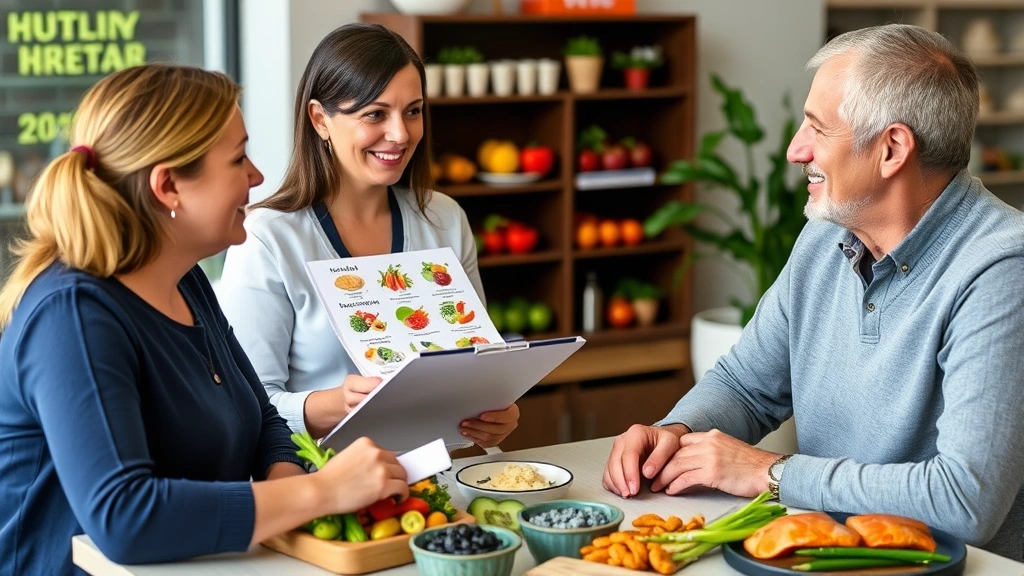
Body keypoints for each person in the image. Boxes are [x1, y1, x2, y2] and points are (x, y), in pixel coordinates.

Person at [603, 24, 1024, 559]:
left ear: (892, 148)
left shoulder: (1002, 270)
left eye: (817, 129)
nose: (794, 150)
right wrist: (675, 433)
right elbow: (746, 386)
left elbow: (966, 500)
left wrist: (770, 473)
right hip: (827, 555)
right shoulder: (827, 235)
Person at [0, 64, 410, 576]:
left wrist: (293, 492)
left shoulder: (186, 279)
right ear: (169, 186)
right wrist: (321, 491)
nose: (257, 176)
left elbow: (264, 422)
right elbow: (125, 519)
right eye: (239, 159)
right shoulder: (73, 317)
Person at [219, 23, 519, 446]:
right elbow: (249, 403)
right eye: (375, 114)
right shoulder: (267, 237)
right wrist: (333, 404)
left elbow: (476, 367)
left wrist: (497, 412)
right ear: (320, 119)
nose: (400, 134)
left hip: (443, 485)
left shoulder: (445, 217)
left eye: (413, 111)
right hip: (325, 486)